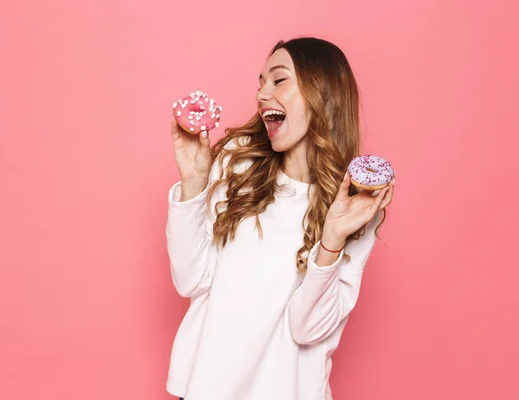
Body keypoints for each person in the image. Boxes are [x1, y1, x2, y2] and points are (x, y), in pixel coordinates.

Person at [166, 37, 395, 400]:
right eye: (261, 83)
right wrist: (194, 184)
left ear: (321, 91)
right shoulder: (238, 165)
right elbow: (191, 280)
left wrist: (332, 240)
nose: (261, 94)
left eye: (278, 80)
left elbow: (307, 331)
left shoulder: (354, 210)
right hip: (204, 388)